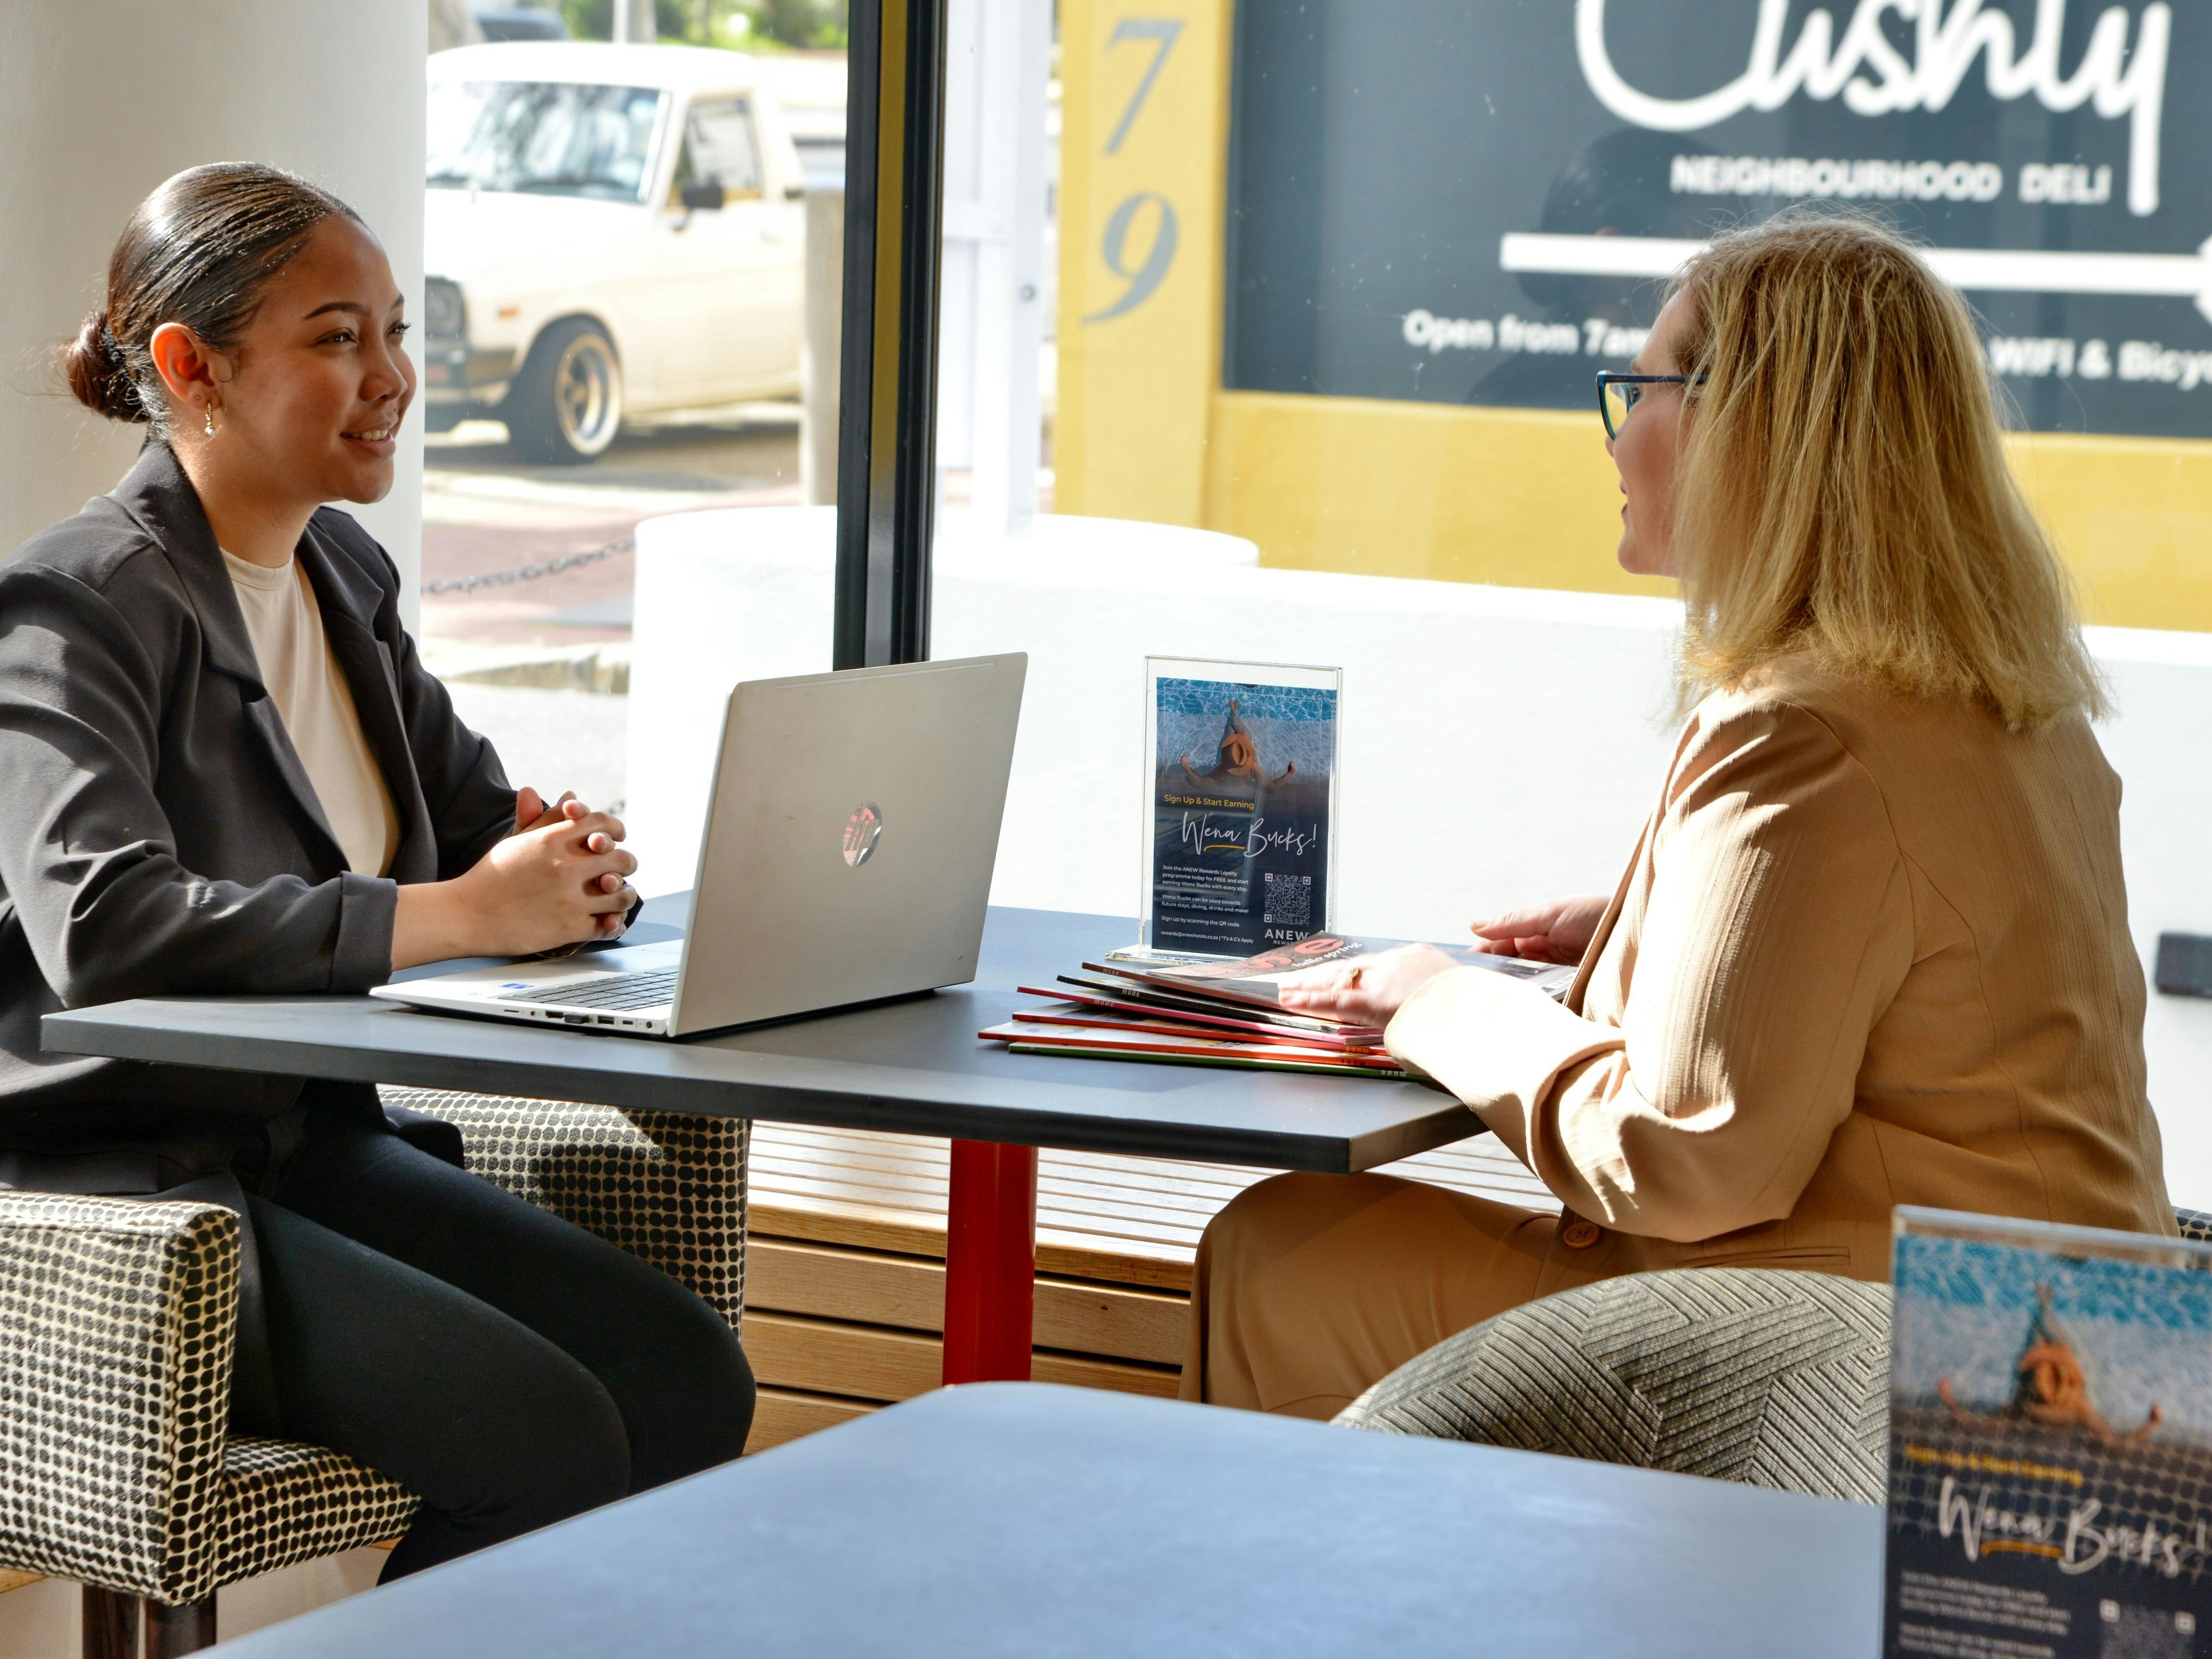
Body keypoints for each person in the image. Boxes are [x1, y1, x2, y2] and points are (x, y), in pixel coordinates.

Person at [1180, 212, 2174, 1421]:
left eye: (1637, 391)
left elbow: (1689, 1162)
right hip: (2093, 1358)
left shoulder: (1799, 731)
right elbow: (1936, 975)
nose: (1613, 438)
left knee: (1280, 1252)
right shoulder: (2018, 711)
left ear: (1745, 428)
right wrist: (1655, 928)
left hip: (1876, 1382)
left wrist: (1435, 1001)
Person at [0, 164, 754, 1577]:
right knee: (540, 1440)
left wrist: (559, 865)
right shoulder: (75, 606)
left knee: (686, 1381)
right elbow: (101, 924)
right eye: (338, 338)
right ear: (193, 366)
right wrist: (464, 910)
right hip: (131, 1193)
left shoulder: (342, 576)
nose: (393, 378)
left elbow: (469, 826)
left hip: (313, 1145)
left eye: (395, 332)